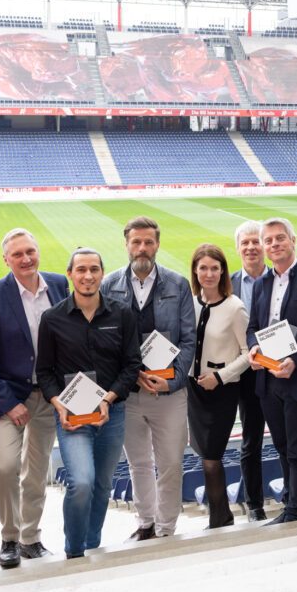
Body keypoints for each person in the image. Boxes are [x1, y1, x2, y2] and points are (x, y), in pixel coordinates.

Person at [0, 228, 69, 568]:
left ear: (38, 251)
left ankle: (29, 538)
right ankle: (8, 536)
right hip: (9, 397)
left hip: (49, 396)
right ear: (6, 260)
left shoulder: (58, 285)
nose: (26, 259)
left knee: (37, 471)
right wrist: (9, 402)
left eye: (30, 251)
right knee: (5, 468)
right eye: (17, 254)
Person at [36, 248, 141, 559]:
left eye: (94, 269)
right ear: (70, 274)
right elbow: (44, 371)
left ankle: (92, 544)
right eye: (81, 269)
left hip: (113, 413)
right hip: (72, 417)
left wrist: (108, 399)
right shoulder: (53, 318)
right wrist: (59, 403)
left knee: (101, 486)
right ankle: (75, 551)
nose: (88, 276)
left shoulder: (122, 314)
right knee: (81, 482)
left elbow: (132, 365)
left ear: (101, 273)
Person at [231, 221, 297, 521]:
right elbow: (253, 327)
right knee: (282, 446)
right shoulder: (264, 284)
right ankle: (292, 499)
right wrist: (253, 346)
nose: (274, 244)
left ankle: (296, 511)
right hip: (269, 380)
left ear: (293, 240)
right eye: (269, 240)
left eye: (280, 238)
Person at [102, 216, 195, 541]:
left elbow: (188, 340)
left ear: (157, 244)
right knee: (139, 462)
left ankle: (166, 527)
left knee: (170, 463)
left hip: (168, 392)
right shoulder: (109, 284)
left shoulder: (178, 284)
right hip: (128, 395)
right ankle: (145, 523)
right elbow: (101, 341)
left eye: (149, 242)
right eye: (136, 242)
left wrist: (173, 380)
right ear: (127, 244)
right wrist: (122, 381)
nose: (142, 248)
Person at [187, 244, 250, 528]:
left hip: (222, 391)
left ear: (223, 270)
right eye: (203, 268)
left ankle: (220, 517)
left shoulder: (235, 307)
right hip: (193, 389)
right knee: (202, 453)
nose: (209, 274)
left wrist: (221, 376)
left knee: (212, 456)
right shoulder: (190, 302)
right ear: (195, 271)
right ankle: (222, 513)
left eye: (215, 268)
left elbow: (250, 353)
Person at [230, 221, 269, 522]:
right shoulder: (227, 285)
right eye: (245, 243)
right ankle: (254, 504)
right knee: (251, 439)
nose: (251, 247)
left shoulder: (282, 279)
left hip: (282, 369)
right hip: (246, 374)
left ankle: (295, 489)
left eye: (257, 241)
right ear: (238, 248)